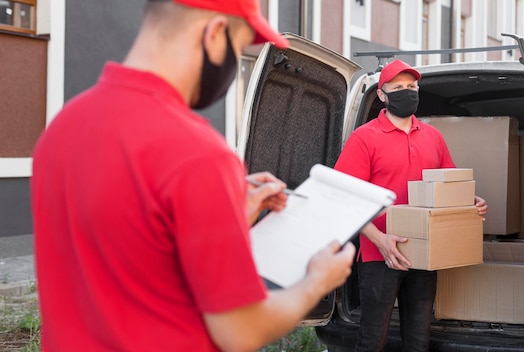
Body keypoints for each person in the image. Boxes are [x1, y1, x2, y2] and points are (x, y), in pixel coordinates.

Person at [30, 1, 355, 351]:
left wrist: (224, 213)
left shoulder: (63, 127)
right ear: (214, 33)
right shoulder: (198, 154)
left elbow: (129, 250)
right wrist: (316, 282)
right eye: (239, 47)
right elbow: (240, 332)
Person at [334, 59, 488, 352]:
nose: (408, 92)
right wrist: (381, 241)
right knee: (372, 342)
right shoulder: (364, 138)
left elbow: (447, 186)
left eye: (412, 86)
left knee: (419, 343)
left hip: (425, 253)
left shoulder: (433, 137)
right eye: (399, 88)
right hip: (380, 255)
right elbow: (345, 198)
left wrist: (471, 203)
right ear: (382, 95)